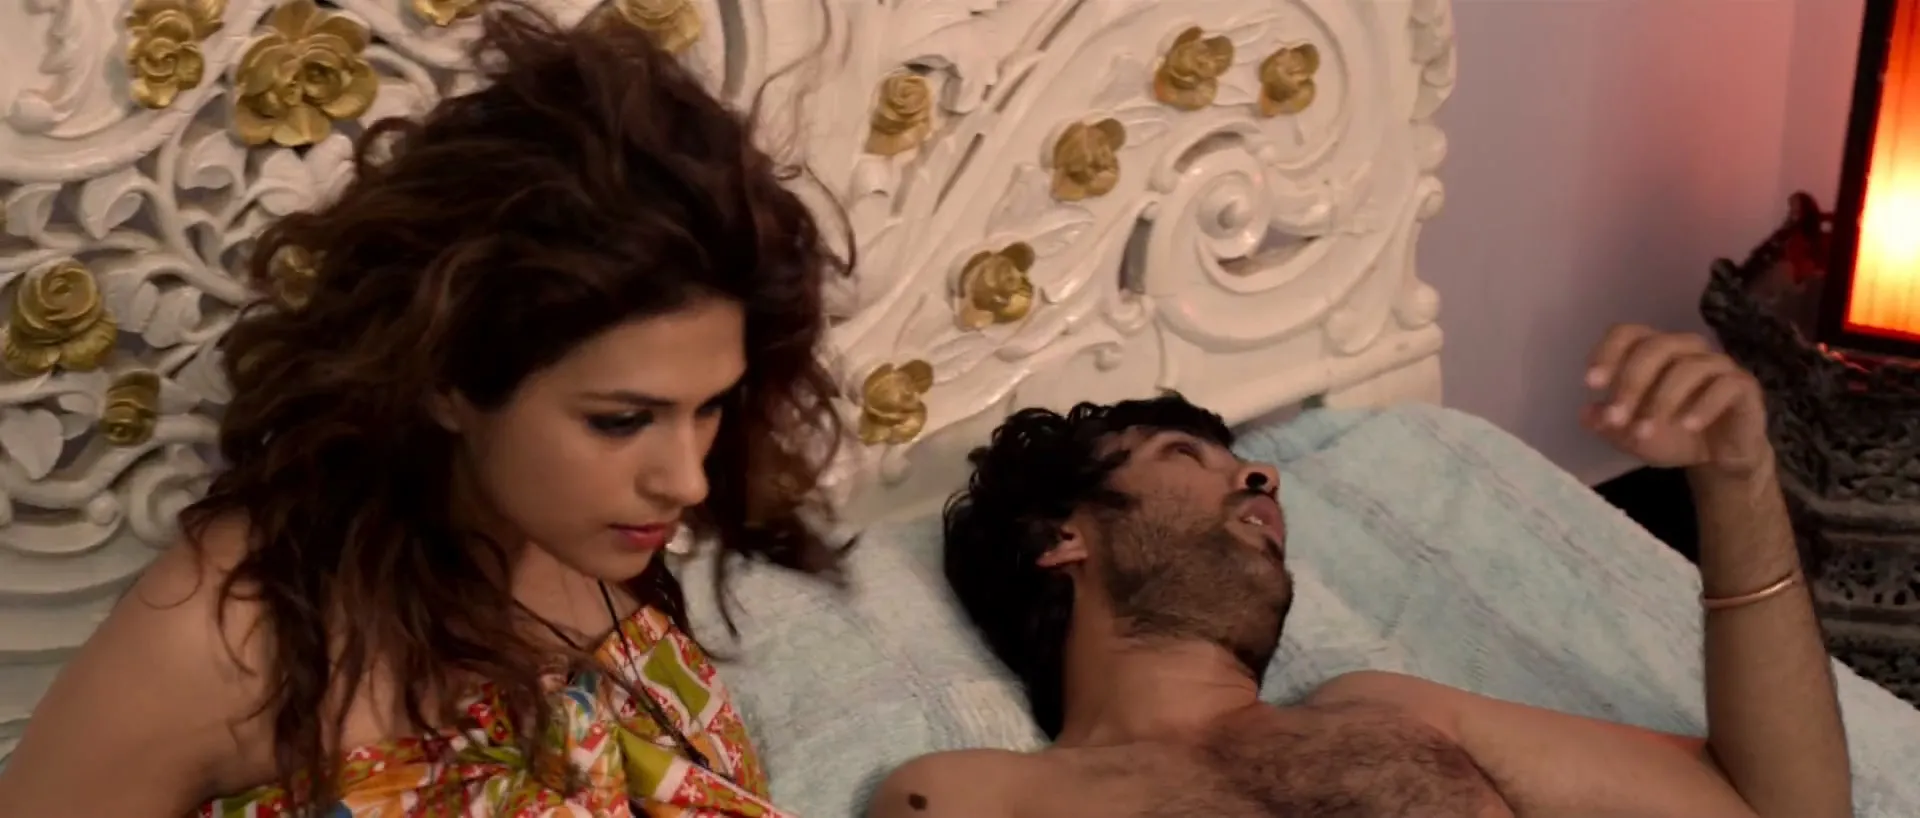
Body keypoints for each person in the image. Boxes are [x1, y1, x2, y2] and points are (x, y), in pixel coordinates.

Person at [0, 6, 847, 818]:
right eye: (620, 421)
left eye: (709, 408)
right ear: (449, 378)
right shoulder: (229, 638)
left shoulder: (589, 541)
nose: (687, 480)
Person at [875, 325, 1852, 818]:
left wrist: (1737, 480)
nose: (1261, 476)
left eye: (1248, 465)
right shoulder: (971, 795)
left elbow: (1782, 810)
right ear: (1062, 539)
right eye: (1183, 457)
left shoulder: (1391, 715)